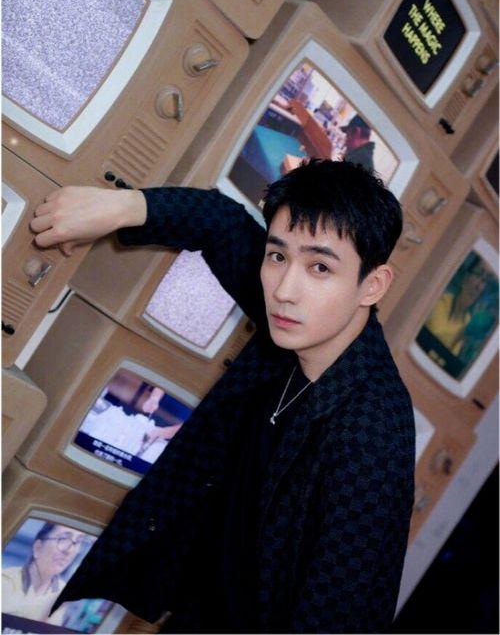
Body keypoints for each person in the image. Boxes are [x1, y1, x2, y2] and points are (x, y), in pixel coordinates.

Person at [31, 158, 416, 633]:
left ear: (372, 285)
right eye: (277, 256)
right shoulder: (301, 322)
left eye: (320, 267)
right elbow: (221, 222)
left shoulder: (374, 433)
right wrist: (121, 207)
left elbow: (340, 618)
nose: (284, 290)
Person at [2, 523, 87, 626]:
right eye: (63, 538)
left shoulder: (63, 592)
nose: (70, 550)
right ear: (38, 547)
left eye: (78, 542)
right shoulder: (5, 580)